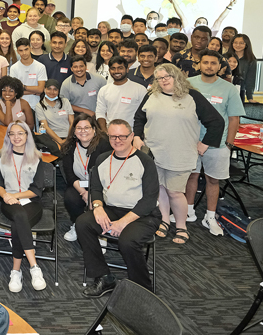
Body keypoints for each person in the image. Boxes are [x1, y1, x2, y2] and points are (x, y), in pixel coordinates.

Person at [133, 63, 224, 245]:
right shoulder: (151, 95)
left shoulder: (192, 96)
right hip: (153, 152)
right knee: (159, 188)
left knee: (175, 192)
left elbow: (217, 122)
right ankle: (165, 220)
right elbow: (139, 118)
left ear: (176, 76)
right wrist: (136, 136)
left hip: (180, 153)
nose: (163, 80)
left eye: (167, 76)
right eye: (159, 78)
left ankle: (181, 226)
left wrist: (205, 143)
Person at [77, 119, 161, 296]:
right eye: (113, 136)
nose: (118, 140)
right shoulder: (102, 159)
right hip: (111, 209)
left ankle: (142, 289)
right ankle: (104, 278)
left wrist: (122, 223)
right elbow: (96, 189)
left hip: (142, 215)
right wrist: (98, 207)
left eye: (122, 136)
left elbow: (150, 200)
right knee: (83, 223)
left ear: (131, 136)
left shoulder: (145, 161)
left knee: (127, 241)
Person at [185, 50, 244, 236]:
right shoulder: (189, 84)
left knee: (212, 180)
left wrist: (229, 144)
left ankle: (210, 216)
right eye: (205, 62)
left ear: (220, 66)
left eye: (213, 63)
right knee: (191, 177)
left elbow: (234, 118)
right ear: (198, 64)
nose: (209, 66)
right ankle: (188, 211)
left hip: (218, 144)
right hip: (191, 141)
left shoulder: (229, 88)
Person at [0, 120, 48, 292]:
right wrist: (6, 197)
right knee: (18, 215)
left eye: (20, 133)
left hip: (31, 202)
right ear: (8, 136)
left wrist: (15, 196)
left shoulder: (37, 157)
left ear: (27, 135)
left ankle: (15, 271)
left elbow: (36, 190)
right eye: (12, 133)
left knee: (19, 221)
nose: (16, 137)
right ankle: (34, 267)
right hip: (8, 202)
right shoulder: (0, 156)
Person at [60, 114, 112, 242]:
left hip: (101, 185)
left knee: (104, 201)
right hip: (80, 184)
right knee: (71, 197)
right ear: (74, 131)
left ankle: (102, 233)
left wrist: (93, 197)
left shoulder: (104, 145)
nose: (83, 131)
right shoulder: (69, 146)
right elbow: (69, 175)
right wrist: (83, 193)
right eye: (79, 128)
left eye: (87, 127)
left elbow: (107, 174)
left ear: (94, 129)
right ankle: (77, 224)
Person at [95, 56, 147, 133]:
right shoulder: (104, 90)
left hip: (132, 134)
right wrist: (105, 132)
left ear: (127, 69)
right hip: (111, 134)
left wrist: (138, 135)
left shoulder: (140, 89)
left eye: (120, 68)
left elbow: (144, 115)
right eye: (113, 68)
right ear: (109, 70)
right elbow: (100, 113)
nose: (116, 71)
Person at [35, 79, 74, 150]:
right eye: (49, 89)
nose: (52, 92)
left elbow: (72, 122)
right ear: (44, 89)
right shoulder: (39, 106)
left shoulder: (65, 101)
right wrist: (60, 141)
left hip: (69, 136)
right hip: (52, 138)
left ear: (58, 91)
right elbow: (45, 127)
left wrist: (68, 139)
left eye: (55, 89)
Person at [10, 38, 47, 110]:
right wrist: (34, 91)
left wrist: (23, 87)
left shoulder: (40, 67)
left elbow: (40, 89)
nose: (24, 53)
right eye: (21, 50)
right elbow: (14, 91)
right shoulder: (14, 68)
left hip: (37, 105)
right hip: (19, 105)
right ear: (17, 51)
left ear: (30, 48)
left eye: (26, 49)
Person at [231, 33, 257, 102]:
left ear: (246, 45)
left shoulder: (251, 60)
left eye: (241, 43)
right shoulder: (225, 57)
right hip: (224, 90)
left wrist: (250, 98)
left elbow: (250, 80)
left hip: (240, 91)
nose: (238, 45)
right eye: (235, 42)